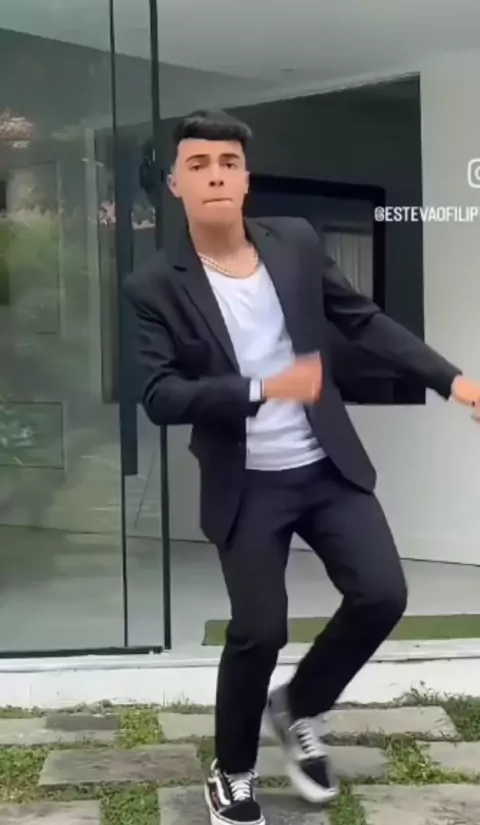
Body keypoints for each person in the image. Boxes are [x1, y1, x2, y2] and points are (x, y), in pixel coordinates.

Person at [125, 110, 480, 825]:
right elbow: (161, 396)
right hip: (246, 483)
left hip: (324, 466)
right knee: (259, 630)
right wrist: (264, 387)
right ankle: (232, 771)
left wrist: (452, 380)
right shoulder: (154, 284)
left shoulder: (294, 242)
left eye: (229, 163)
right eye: (199, 165)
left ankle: (300, 706)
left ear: (246, 179)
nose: (216, 175)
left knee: (381, 595)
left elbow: (362, 319)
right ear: (175, 185)